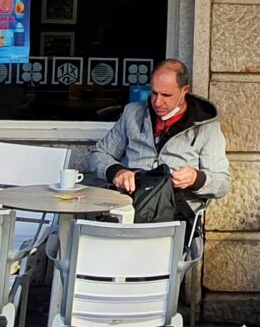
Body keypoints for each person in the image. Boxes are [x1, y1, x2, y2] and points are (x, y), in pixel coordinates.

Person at [91, 58, 230, 228]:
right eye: (154, 93)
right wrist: (116, 172)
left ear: (184, 91)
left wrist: (196, 178)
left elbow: (222, 184)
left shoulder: (207, 128)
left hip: (175, 215)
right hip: (128, 209)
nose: (157, 102)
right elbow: (99, 154)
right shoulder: (132, 114)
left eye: (166, 95)